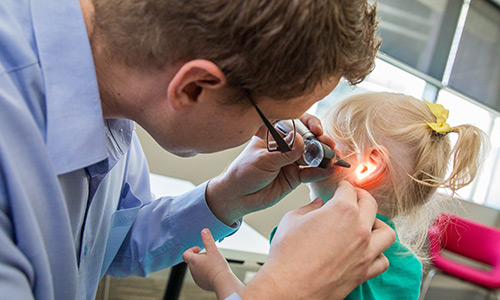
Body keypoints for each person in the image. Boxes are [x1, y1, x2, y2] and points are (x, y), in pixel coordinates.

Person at [0, 0, 395, 299]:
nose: (271, 134)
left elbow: (104, 244)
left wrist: (224, 198)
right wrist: (284, 290)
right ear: (194, 87)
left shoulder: (110, 88)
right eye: (271, 119)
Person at [183, 92, 487, 300]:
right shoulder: (409, 267)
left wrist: (219, 276)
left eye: (321, 144)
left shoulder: (303, 235)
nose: (308, 148)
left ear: (368, 166)